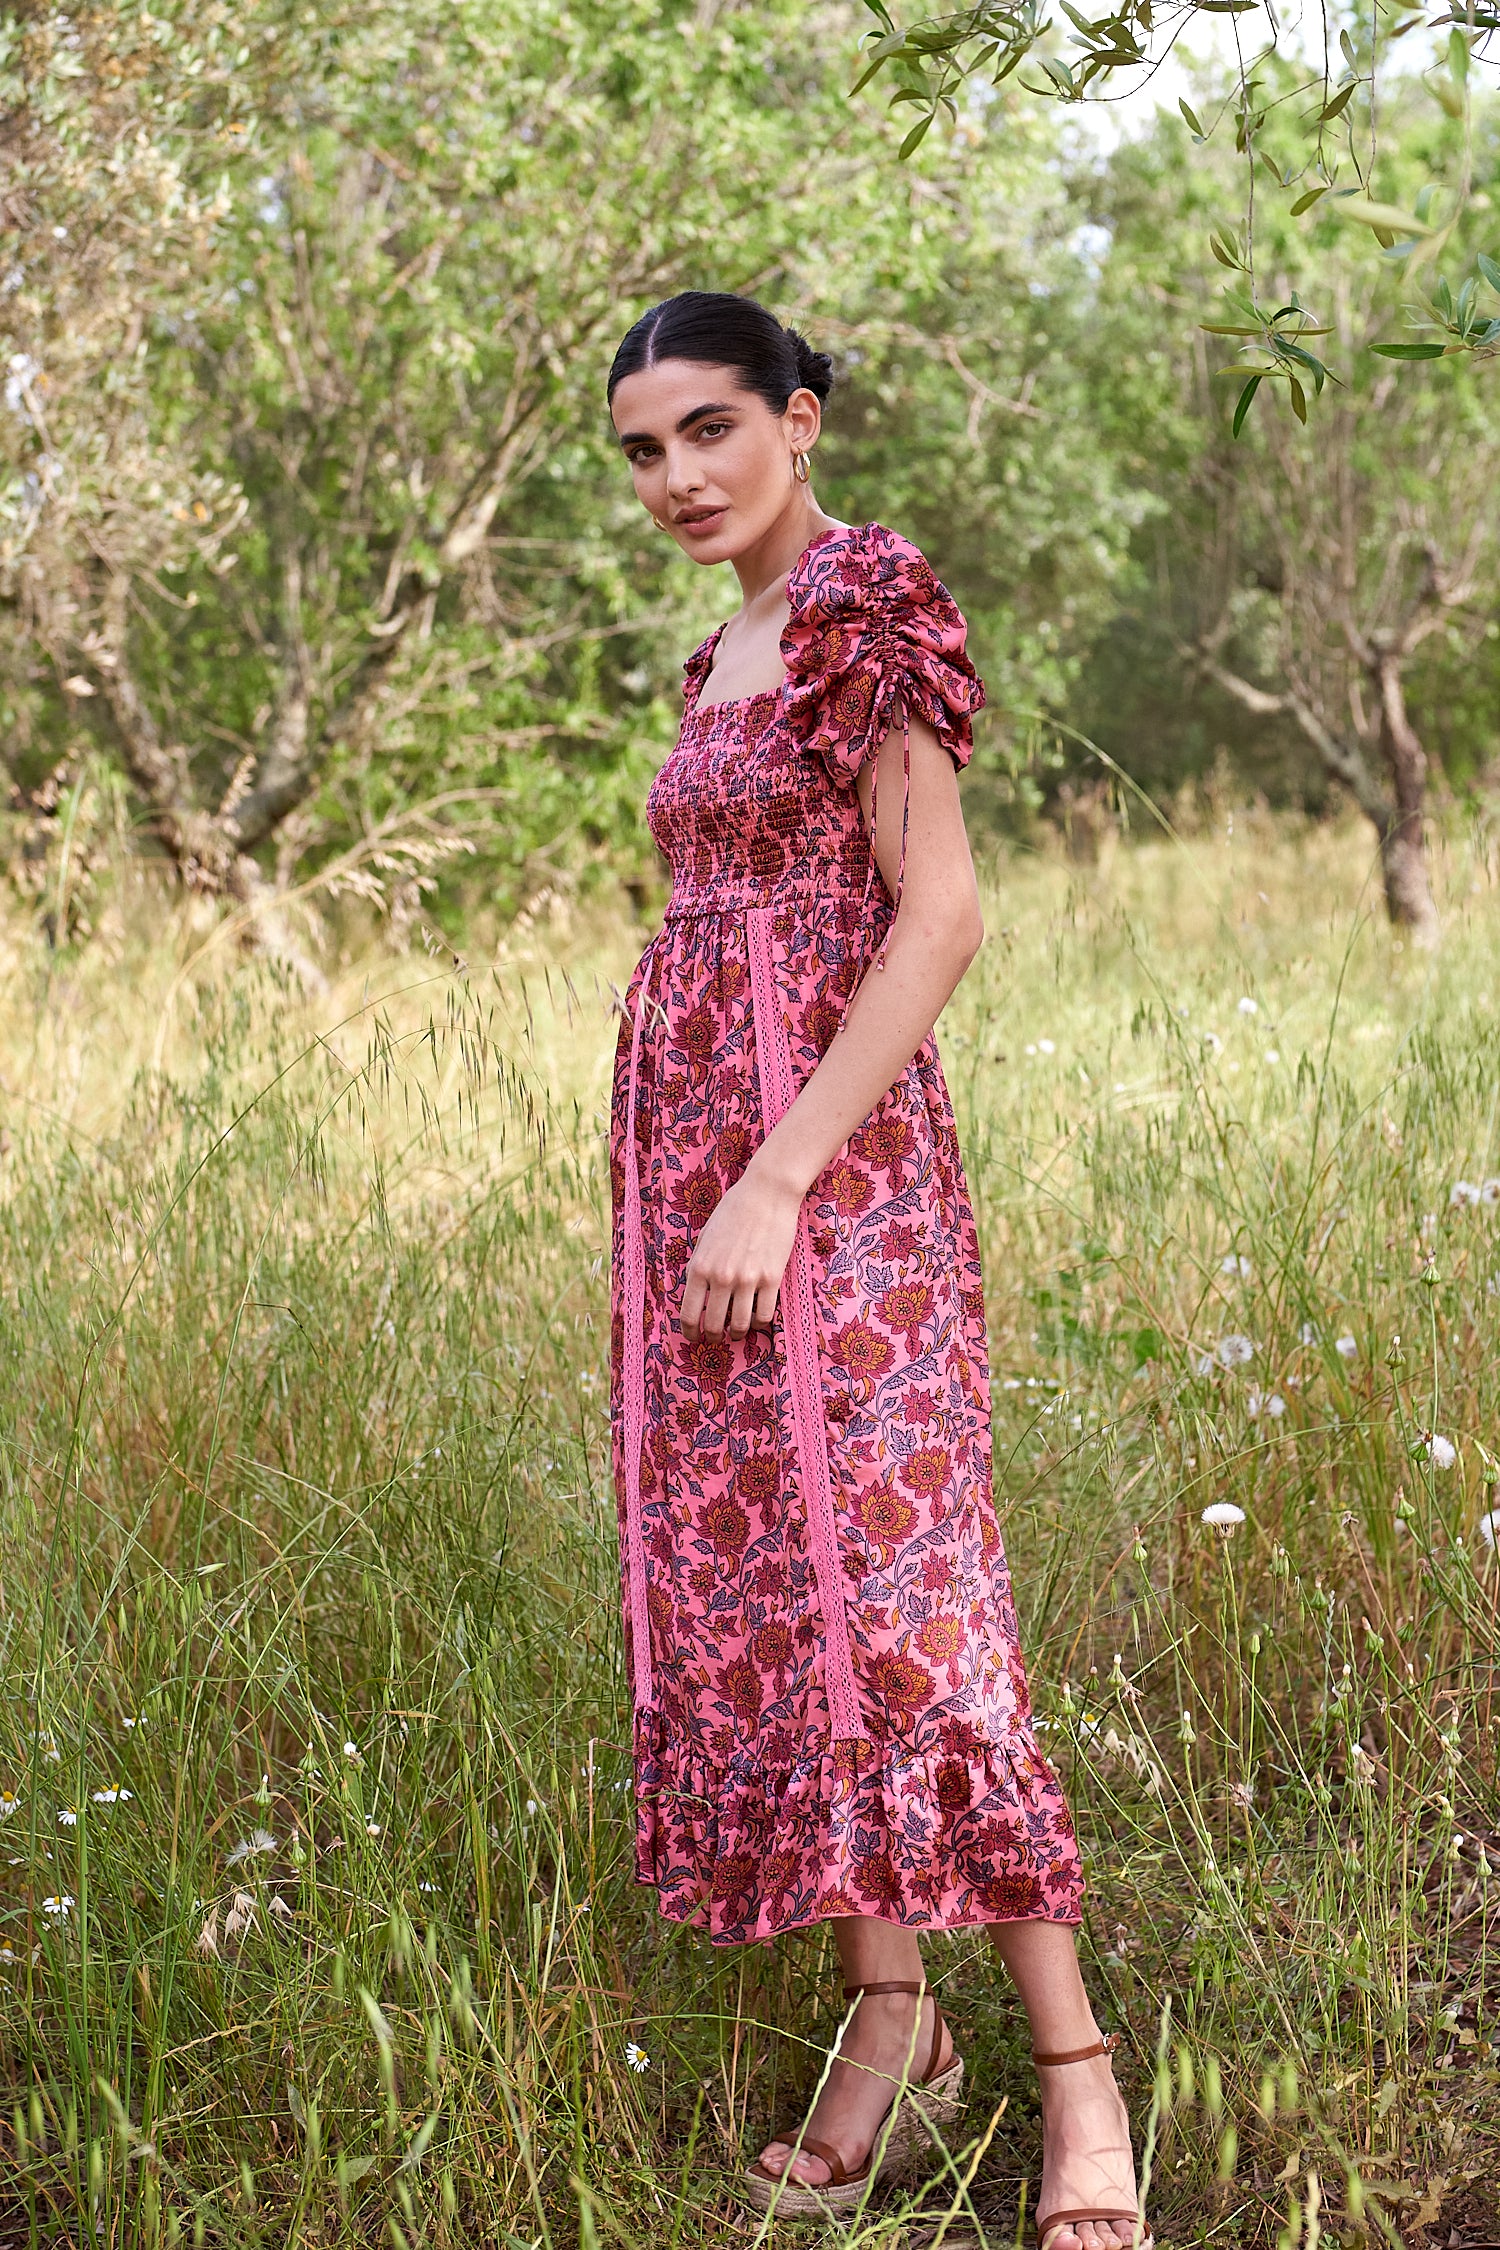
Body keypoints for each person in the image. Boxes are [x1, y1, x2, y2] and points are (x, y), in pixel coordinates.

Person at [605, 291, 1149, 2247]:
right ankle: (892, 2022)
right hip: (700, 1189)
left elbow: (942, 914)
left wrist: (775, 1178)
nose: (677, 477)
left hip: (827, 1183)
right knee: (789, 1591)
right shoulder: (713, 652)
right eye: (644, 451)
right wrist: (701, 1189)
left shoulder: (857, 602)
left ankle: (1077, 2084)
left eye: (710, 431)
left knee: (912, 1605)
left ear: (802, 421)